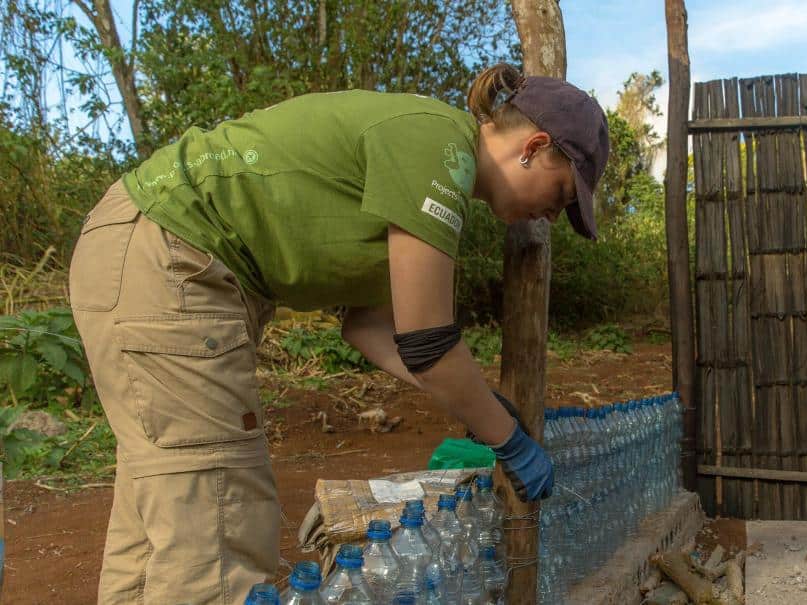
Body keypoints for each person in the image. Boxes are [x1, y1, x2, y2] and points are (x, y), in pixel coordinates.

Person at [68, 62, 609, 604]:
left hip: (148, 252)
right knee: (216, 525)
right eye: (562, 194)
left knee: (164, 510)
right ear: (535, 146)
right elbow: (430, 344)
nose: (554, 216)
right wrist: (506, 437)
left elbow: (371, 326)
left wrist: (474, 404)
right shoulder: (441, 148)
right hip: (171, 259)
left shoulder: (424, 160)